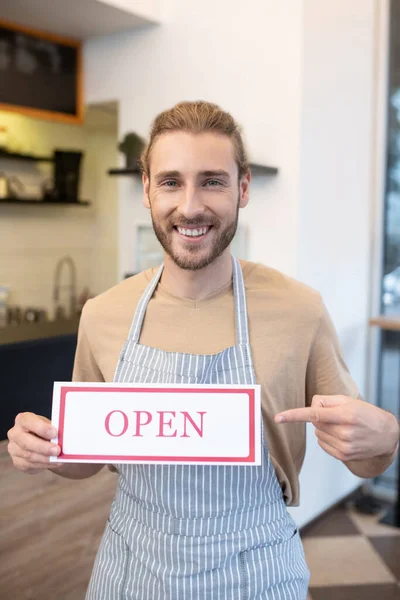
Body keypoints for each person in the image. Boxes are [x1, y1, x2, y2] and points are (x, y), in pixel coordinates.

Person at [7, 101, 400, 600]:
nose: (190, 206)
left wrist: (386, 439)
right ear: (146, 188)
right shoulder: (104, 313)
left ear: (243, 188)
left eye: (212, 181)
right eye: (171, 182)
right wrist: (45, 450)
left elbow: (363, 458)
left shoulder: (300, 309)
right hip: (131, 567)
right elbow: (87, 454)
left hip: (256, 568)